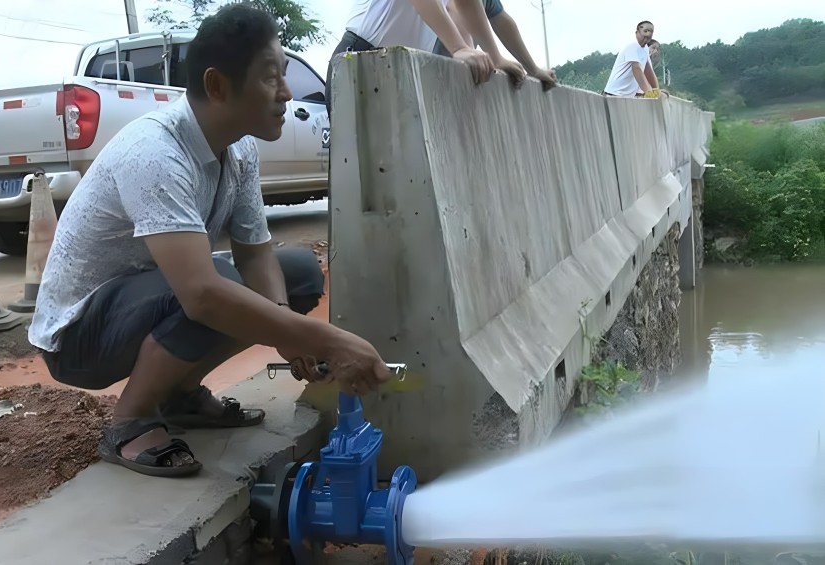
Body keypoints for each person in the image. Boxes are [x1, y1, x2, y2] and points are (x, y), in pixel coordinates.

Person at [28, 4, 392, 478]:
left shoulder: (237, 149)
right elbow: (201, 295)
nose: (286, 93)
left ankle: (180, 395)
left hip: (147, 300)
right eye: (269, 78)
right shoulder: (156, 151)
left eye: (284, 75)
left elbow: (256, 252)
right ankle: (129, 420)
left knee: (297, 272)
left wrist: (290, 336)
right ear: (218, 85)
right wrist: (332, 340)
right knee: (213, 288)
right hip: (79, 335)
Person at [325, 0, 528, 114]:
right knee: (355, 174)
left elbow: (467, 3)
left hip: (402, 67)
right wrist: (458, 47)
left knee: (400, 177)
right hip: (359, 60)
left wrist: (496, 57)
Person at [432, 0, 558, 90]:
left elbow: (501, 19)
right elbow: (458, 6)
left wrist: (533, 69)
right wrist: (461, 49)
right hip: (433, 69)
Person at [602, 20, 664, 99]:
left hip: (628, 97)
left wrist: (656, 91)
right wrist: (649, 92)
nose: (645, 40)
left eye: (648, 38)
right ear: (637, 33)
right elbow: (636, 69)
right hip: (613, 95)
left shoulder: (645, 49)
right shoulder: (633, 46)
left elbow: (648, 72)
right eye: (643, 36)